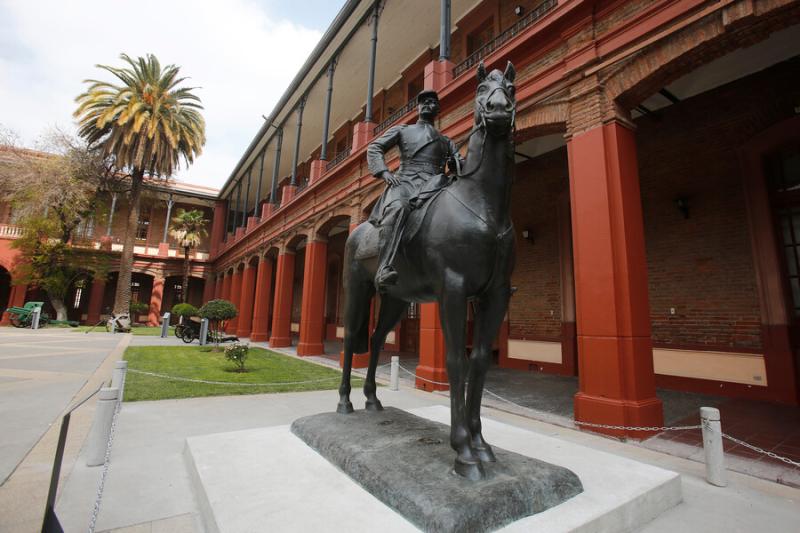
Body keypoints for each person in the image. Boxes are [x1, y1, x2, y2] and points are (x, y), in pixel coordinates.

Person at [366, 90, 463, 290]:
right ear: (418, 108)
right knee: (398, 208)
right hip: (405, 182)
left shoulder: (446, 141)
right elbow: (374, 148)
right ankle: (384, 267)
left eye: (432, 102)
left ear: (437, 109)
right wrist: (383, 172)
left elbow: (459, 164)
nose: (428, 104)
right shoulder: (402, 130)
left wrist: (455, 162)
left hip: (434, 184)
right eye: (423, 102)